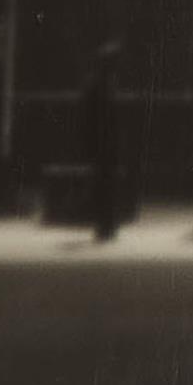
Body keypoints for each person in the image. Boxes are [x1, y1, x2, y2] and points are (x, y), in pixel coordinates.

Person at [78, 42, 126, 243]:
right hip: (103, 141)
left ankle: (106, 223)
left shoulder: (98, 83)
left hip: (102, 141)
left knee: (104, 182)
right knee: (105, 182)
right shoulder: (102, 84)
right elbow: (97, 116)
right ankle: (106, 224)